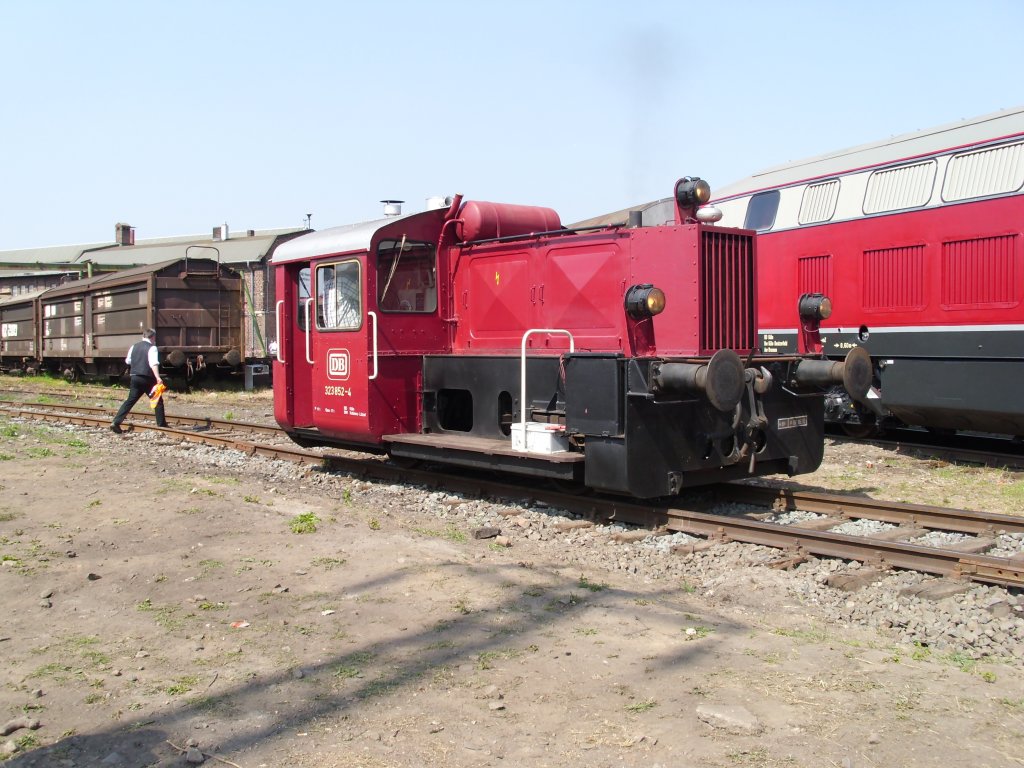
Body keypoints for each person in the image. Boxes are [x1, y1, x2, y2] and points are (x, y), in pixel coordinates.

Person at [111, 328, 167, 433]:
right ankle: (162, 425)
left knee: (130, 400)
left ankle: (116, 422)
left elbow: (128, 361)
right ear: (153, 337)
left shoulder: (134, 346)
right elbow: (153, 363)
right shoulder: (152, 348)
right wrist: (158, 377)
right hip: (147, 378)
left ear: (143, 336)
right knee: (157, 400)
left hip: (135, 377)